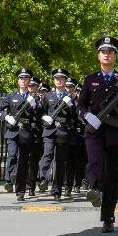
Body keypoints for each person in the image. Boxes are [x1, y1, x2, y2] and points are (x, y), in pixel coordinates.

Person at [77, 35, 118, 233]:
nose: (107, 55)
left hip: (115, 131)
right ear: (98, 56)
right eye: (103, 52)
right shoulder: (90, 79)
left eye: (110, 52)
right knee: (94, 161)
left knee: (112, 174)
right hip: (94, 129)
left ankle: (108, 216)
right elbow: (81, 104)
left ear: (115, 56)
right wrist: (86, 116)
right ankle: (94, 188)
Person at [0, 68, 44, 201]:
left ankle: (20, 190)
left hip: (26, 133)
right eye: (21, 79)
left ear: (29, 81)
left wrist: (35, 106)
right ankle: (10, 179)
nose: (23, 81)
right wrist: (6, 117)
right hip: (12, 132)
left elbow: (39, 116)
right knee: (12, 155)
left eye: (26, 79)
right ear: (18, 81)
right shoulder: (11, 96)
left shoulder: (34, 98)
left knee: (23, 161)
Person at [41, 68, 79, 200]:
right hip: (50, 131)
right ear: (54, 80)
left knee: (60, 162)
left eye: (61, 78)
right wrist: (44, 117)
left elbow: (76, 117)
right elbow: (41, 111)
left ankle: (57, 190)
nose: (59, 80)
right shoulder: (48, 96)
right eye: (57, 78)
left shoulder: (71, 97)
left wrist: (71, 106)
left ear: (65, 80)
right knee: (48, 153)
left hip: (63, 132)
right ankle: (43, 177)